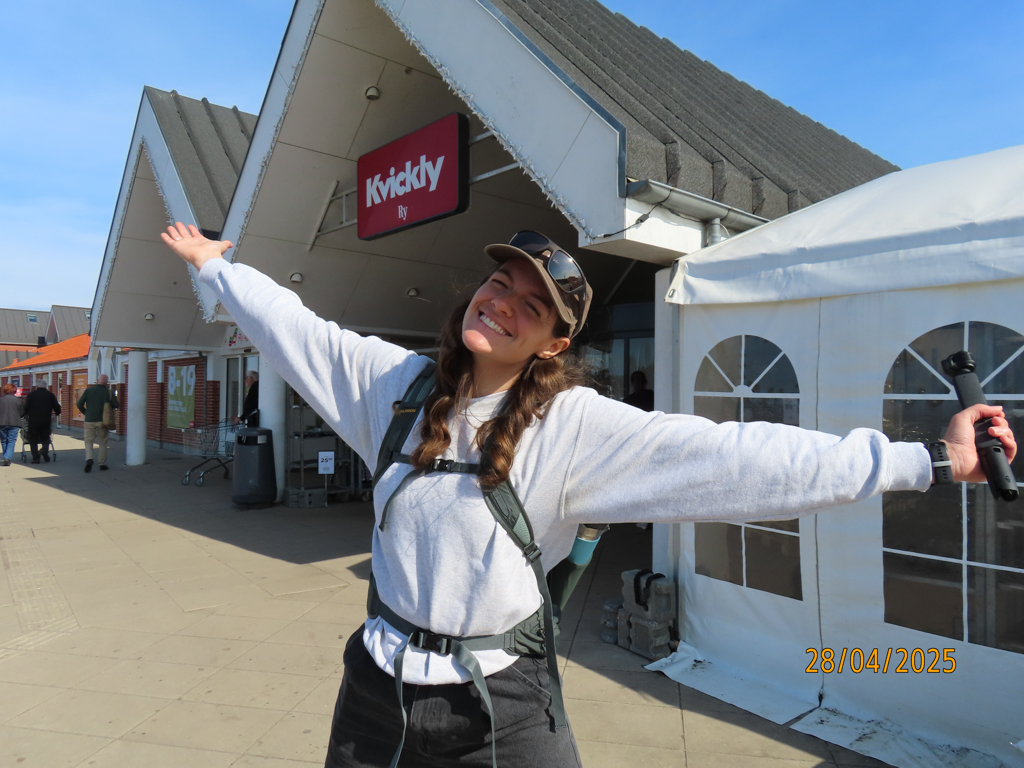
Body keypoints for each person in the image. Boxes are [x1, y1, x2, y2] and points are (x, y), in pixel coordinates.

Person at [161, 222, 1015, 768]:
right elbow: (298, 330)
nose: (504, 303)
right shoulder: (394, 386)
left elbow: (741, 456)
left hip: (499, 708)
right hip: (373, 696)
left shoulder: (576, 429)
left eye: (532, 304)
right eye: (501, 284)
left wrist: (927, 463)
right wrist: (217, 271)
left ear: (553, 341)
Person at [77, 374, 119, 472]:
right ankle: (102, 464)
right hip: (103, 421)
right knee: (103, 442)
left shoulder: (88, 391)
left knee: (88, 441)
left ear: (97, 380)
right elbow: (116, 404)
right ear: (107, 383)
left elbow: (79, 404)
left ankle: (89, 459)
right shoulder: (108, 392)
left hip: (89, 420)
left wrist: (86, 412)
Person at [24, 379, 61, 463]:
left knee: (33, 439)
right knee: (45, 438)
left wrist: (24, 415)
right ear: (46, 386)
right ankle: (44, 450)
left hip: (33, 421)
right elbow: (57, 406)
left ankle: (36, 458)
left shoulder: (31, 395)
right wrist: (57, 413)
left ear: (37, 386)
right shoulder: (50, 395)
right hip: (46, 420)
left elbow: (26, 407)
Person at [0, 383, 23, 467]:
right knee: (11, 440)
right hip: (14, 423)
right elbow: (22, 412)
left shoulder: (0, 400)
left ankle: (6, 456)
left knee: (3, 440)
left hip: (1, 423)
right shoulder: (18, 401)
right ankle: (7, 457)